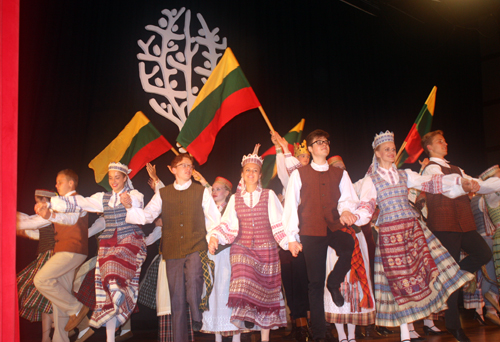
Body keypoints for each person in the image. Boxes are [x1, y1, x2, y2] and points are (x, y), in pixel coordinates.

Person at [356, 130, 475, 342]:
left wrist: (459, 184)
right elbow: (366, 206)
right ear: (377, 153)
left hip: (412, 230)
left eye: (393, 149)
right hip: (390, 235)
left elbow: (431, 183)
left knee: (424, 272)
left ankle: (412, 328)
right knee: (399, 282)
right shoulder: (370, 180)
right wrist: (354, 218)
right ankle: (404, 334)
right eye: (387, 150)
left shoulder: (405, 175)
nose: (391, 152)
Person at [283, 129, 373, 342]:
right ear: (311, 148)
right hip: (310, 231)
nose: (324, 144)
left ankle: (334, 282)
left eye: (326, 141)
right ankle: (319, 335)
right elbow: (290, 206)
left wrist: (346, 211)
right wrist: (292, 237)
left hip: (332, 227)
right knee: (314, 283)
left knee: (348, 244)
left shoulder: (340, 174)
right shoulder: (299, 174)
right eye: (319, 142)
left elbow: (348, 199)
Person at [44, 163, 147, 342]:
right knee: (106, 292)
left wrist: (129, 203)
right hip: (108, 244)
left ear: (125, 178)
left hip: (129, 241)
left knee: (113, 274)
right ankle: (110, 337)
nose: (113, 181)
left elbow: (138, 203)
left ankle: (118, 292)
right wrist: (52, 203)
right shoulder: (103, 198)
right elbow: (81, 202)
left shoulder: (133, 194)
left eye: (117, 177)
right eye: (111, 177)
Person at [123, 154, 220, 342]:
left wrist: (213, 237)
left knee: (193, 278)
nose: (188, 169)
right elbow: (148, 216)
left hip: (195, 244)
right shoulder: (163, 193)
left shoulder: (201, 191)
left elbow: (213, 218)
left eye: (190, 166)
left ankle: (197, 314)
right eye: (183, 165)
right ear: (172, 169)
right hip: (172, 249)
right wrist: (129, 208)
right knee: (176, 298)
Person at [421, 130, 500, 341]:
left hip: (464, 224)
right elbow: (447, 186)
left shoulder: (456, 168)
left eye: (445, 140)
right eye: (440, 141)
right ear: (429, 147)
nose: (445, 143)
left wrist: (489, 182)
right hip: (445, 225)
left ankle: (457, 274)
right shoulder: (430, 168)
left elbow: (476, 183)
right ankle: (454, 326)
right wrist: (465, 183)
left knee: (483, 253)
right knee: (453, 275)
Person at [207, 147, 289, 342]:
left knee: (267, 294)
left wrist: (289, 243)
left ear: (260, 174)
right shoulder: (235, 199)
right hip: (241, 248)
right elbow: (226, 223)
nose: (251, 173)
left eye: (254, 170)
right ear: (242, 175)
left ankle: (265, 338)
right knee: (242, 281)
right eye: (247, 170)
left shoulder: (269, 196)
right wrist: (214, 237)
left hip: (266, 249)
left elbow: (279, 223)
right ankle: (248, 317)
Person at [33, 170, 89, 342]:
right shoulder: (62, 203)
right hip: (66, 251)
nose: (56, 186)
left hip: (71, 250)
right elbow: (36, 223)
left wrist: (50, 214)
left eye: (59, 182)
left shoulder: (77, 201)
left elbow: (69, 220)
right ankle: (61, 338)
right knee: (61, 295)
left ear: (71, 183)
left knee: (41, 280)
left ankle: (77, 308)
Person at [271, 132, 310, 342]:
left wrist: (285, 148)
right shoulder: (289, 185)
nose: (302, 162)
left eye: (306, 158)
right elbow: (286, 172)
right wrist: (281, 148)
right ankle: (298, 323)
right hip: (290, 241)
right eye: (300, 157)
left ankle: (314, 323)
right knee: (292, 281)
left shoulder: (311, 181)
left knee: (309, 281)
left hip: (310, 238)